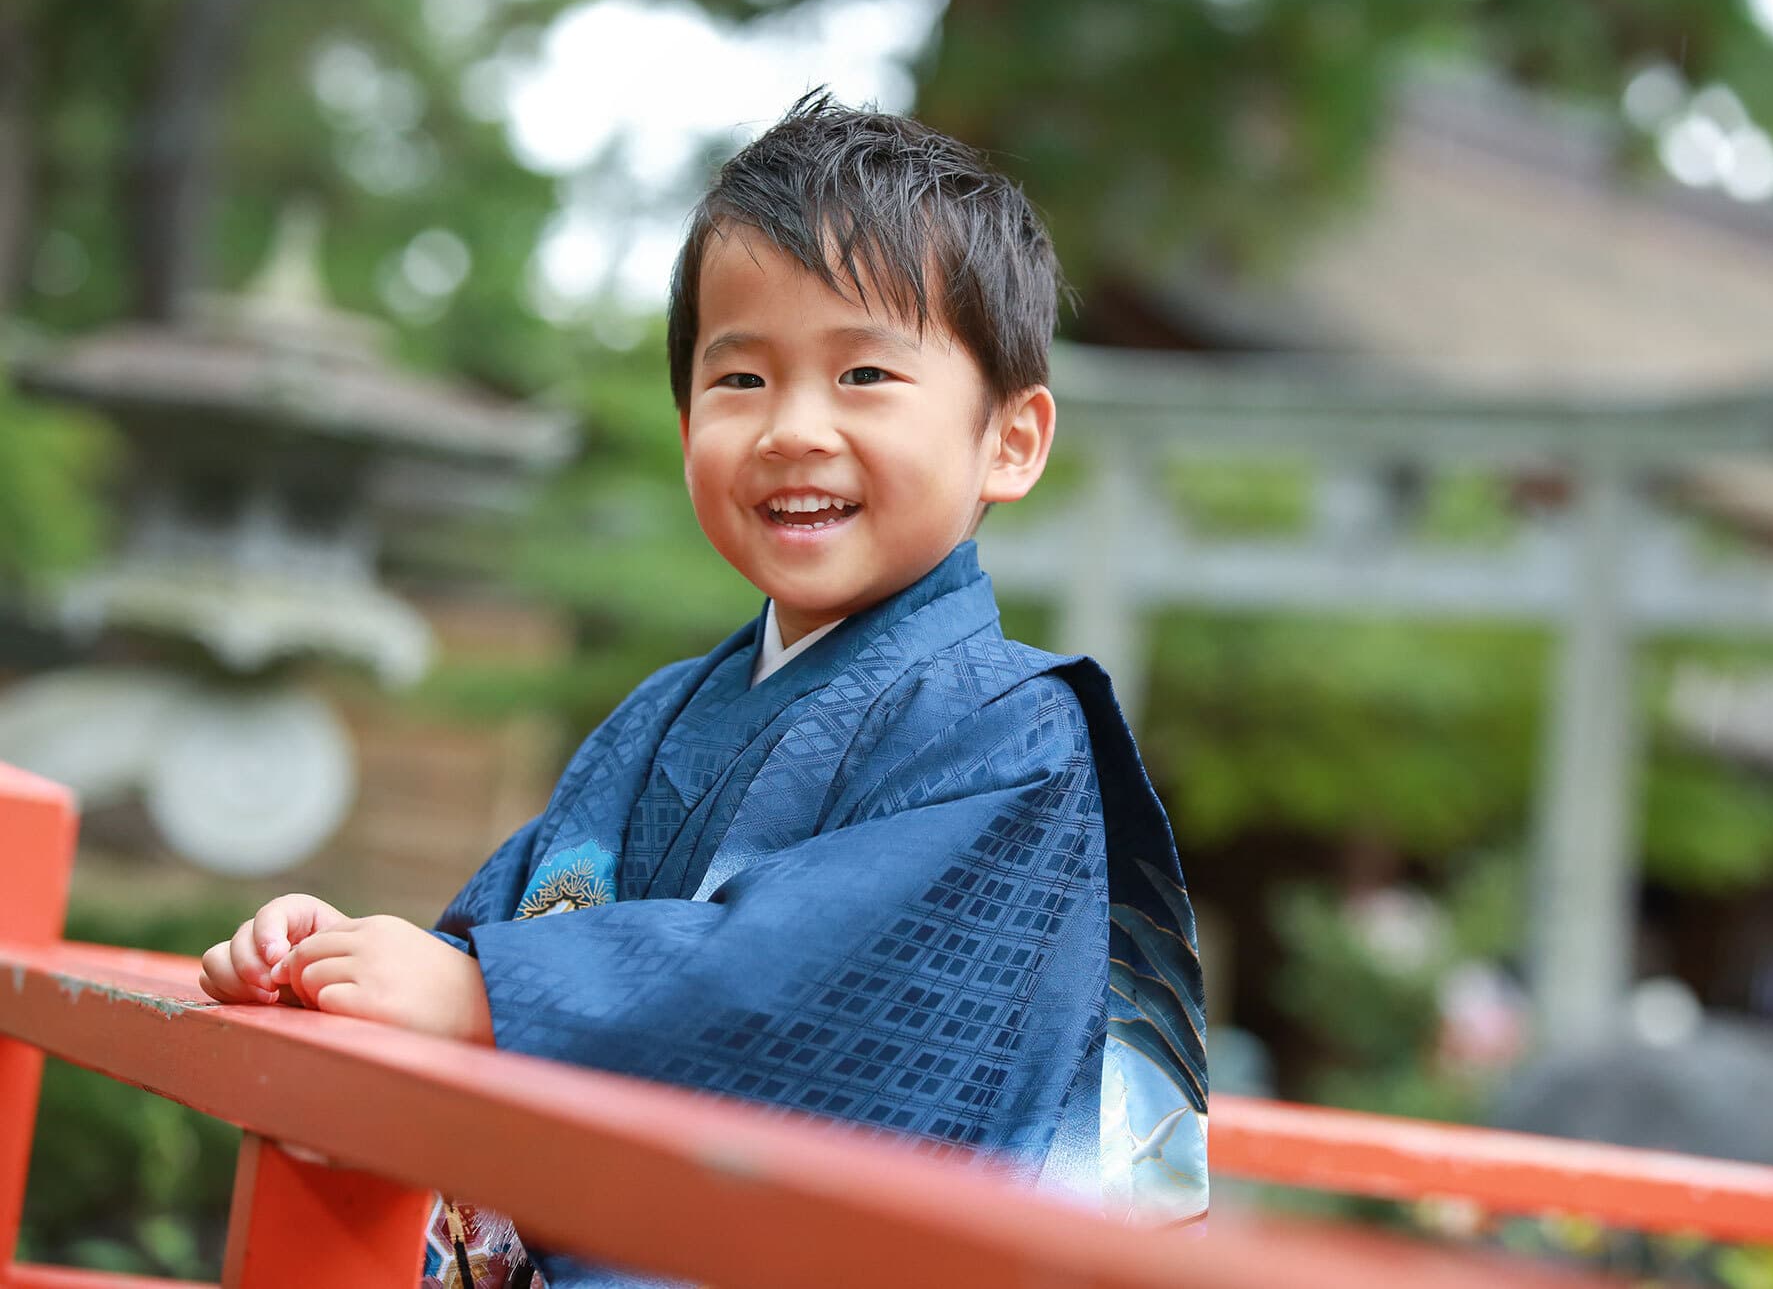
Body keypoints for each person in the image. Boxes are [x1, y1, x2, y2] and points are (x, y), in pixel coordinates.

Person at [198, 90, 1208, 1286]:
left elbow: (815, 991)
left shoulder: (1021, 740)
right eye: (739, 381)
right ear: (685, 419)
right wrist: (333, 964)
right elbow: (507, 938)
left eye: (865, 373)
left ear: (1011, 439)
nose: (791, 429)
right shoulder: (663, 714)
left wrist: (483, 999)